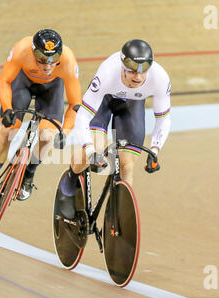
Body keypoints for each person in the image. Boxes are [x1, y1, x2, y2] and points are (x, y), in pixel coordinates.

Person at [58, 39, 172, 217]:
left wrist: (155, 150)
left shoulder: (160, 77)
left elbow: (163, 118)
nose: (138, 77)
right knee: (95, 147)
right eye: (132, 70)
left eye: (143, 71)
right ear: (122, 65)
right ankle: (70, 182)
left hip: (130, 106)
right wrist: (90, 152)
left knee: (126, 166)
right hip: (104, 101)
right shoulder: (107, 72)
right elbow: (83, 116)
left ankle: (118, 216)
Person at [0, 29, 82, 212]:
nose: (47, 65)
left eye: (52, 58)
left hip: (52, 89)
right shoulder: (21, 49)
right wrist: (7, 108)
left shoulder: (68, 61)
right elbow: (5, 82)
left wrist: (65, 131)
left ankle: (29, 173)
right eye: (41, 58)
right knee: (8, 131)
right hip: (23, 82)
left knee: (48, 137)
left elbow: (75, 105)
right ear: (33, 52)